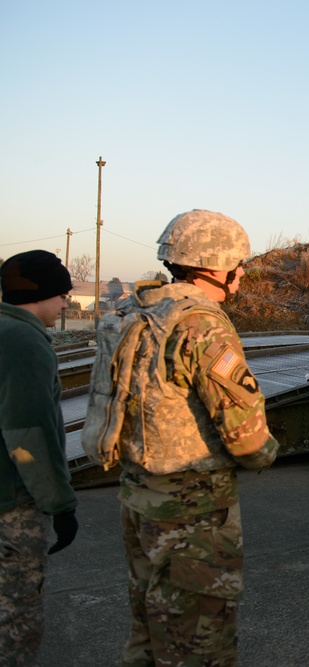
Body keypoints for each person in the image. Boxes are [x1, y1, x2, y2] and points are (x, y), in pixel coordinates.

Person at [82, 209, 280, 666]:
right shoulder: (201, 324)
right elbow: (249, 439)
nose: (243, 272)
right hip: (192, 514)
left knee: (149, 633)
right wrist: (266, 451)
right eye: (239, 263)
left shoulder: (136, 312)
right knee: (198, 644)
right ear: (217, 266)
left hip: (138, 497)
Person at [0, 250, 79, 664]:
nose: (67, 304)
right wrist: (59, 504)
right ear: (42, 294)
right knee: (14, 622)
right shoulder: (24, 341)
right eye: (63, 295)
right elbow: (27, 436)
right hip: (10, 507)